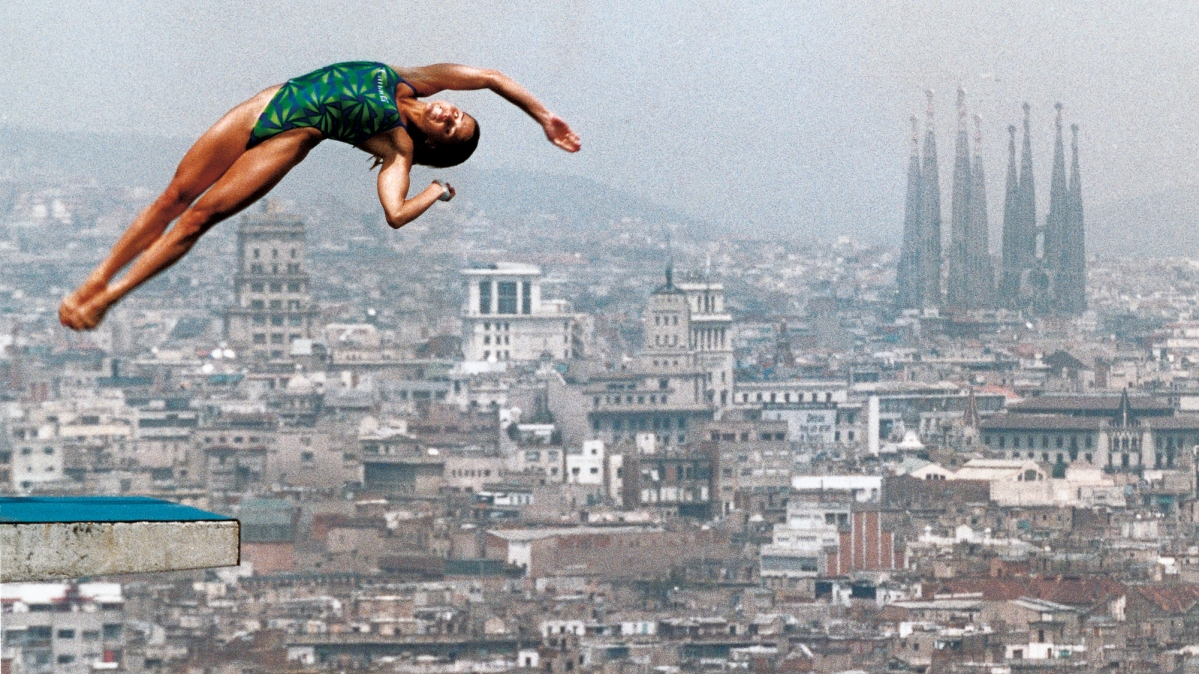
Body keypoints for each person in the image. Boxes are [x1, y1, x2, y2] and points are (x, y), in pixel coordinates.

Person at [58, 61, 581, 330]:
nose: (449, 116)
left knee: (199, 218)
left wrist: (434, 192)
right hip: (269, 103)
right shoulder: (414, 81)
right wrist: (543, 116)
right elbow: (489, 77)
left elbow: (395, 213)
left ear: (434, 144)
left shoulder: (399, 146)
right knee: (174, 196)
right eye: (458, 115)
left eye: (451, 130)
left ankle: (109, 299)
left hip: (290, 138)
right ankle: (99, 277)